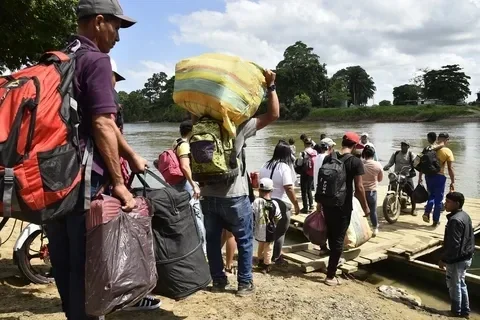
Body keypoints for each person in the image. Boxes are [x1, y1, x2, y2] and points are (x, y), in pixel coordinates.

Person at [44, 1, 159, 319]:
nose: (118, 37)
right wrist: (120, 185)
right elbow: (102, 123)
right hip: (85, 187)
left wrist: (131, 154)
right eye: (117, 27)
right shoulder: (96, 60)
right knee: (90, 273)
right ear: (98, 21)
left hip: (52, 181)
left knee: (66, 269)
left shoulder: (58, 58)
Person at [199, 70, 279, 296]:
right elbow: (273, 114)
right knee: (244, 240)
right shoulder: (238, 124)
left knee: (213, 242)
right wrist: (271, 86)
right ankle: (244, 284)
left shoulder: (200, 123)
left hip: (207, 194)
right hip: (234, 195)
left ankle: (218, 281)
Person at [316, 132, 370, 286]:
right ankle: (330, 276)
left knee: (331, 234)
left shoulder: (329, 157)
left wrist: (319, 202)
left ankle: (332, 262)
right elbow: (359, 187)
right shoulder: (355, 161)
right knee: (338, 239)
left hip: (327, 203)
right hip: (343, 205)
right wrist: (366, 208)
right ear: (354, 146)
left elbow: (322, 181)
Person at [259, 140, 300, 264]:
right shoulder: (284, 167)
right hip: (281, 203)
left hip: (266, 201)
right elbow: (288, 187)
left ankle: (263, 256)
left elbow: (260, 184)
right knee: (280, 232)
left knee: (266, 231)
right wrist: (296, 204)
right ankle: (276, 257)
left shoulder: (265, 165)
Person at [171, 120, 206, 254]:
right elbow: (185, 166)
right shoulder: (185, 145)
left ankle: (187, 247)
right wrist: (194, 185)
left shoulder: (176, 142)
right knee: (197, 216)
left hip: (177, 184)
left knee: (185, 216)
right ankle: (202, 251)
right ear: (192, 131)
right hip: (186, 185)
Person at [439, 192, 475, 318]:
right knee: (461, 283)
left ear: (457, 204)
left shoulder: (455, 220)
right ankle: (464, 311)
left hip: (457, 259)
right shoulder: (465, 216)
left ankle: (455, 311)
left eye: (448, 202)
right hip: (466, 256)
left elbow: (453, 245)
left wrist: (444, 259)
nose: (445, 204)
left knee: (454, 286)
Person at [420, 132, 455, 226]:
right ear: (446, 140)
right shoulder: (447, 151)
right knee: (438, 200)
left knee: (431, 195)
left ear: (438, 138)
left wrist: (420, 177)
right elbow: (450, 168)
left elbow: (422, 163)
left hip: (428, 176)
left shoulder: (429, 148)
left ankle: (427, 212)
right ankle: (435, 220)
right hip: (439, 177)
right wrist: (452, 181)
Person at [253, 178, 282, 274]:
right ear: (271, 190)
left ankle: (260, 260)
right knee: (269, 248)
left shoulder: (256, 202)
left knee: (260, 245)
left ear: (259, 190)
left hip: (259, 230)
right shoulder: (274, 203)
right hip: (270, 230)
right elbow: (278, 217)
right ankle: (267, 264)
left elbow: (251, 213)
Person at [383, 141, 416, 212]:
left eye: (405, 145)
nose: (403, 147)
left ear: (408, 146)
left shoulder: (411, 154)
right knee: (391, 188)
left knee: (412, 192)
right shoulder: (396, 154)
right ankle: (389, 205)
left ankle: (414, 209)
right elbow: (390, 163)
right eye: (402, 145)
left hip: (407, 175)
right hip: (396, 175)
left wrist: (414, 165)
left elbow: (415, 163)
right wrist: (387, 166)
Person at [362, 145, 383, 236]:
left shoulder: (360, 164)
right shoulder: (378, 165)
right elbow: (380, 179)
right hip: (372, 191)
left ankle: (362, 229)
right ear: (373, 154)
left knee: (362, 211)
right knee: (373, 211)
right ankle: (375, 228)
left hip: (361, 191)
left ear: (364, 154)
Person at [299, 138, 317, 213]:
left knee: (304, 191)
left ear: (304, 144)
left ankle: (305, 208)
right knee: (309, 189)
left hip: (304, 173)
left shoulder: (303, 153)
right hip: (312, 172)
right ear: (311, 144)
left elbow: (299, 163)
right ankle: (311, 205)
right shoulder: (315, 152)